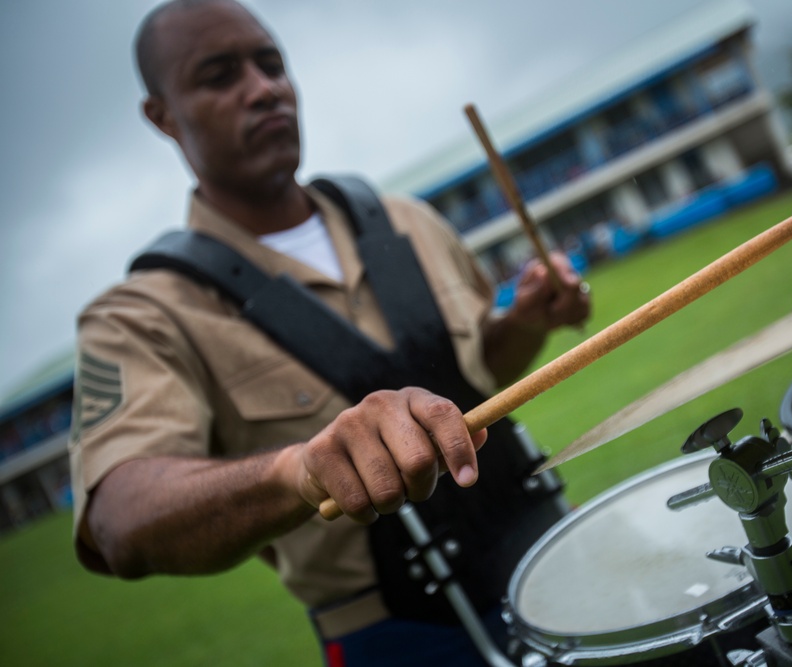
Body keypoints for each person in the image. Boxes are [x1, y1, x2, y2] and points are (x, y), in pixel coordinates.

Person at [68, 1, 590, 665]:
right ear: (162, 114)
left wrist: (523, 323)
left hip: (557, 548)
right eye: (220, 75)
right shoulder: (141, 315)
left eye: (271, 64)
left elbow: (476, 377)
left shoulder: (405, 219)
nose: (263, 88)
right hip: (401, 636)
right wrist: (299, 469)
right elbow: (120, 515)